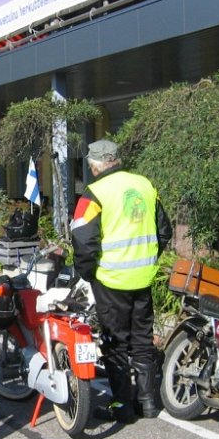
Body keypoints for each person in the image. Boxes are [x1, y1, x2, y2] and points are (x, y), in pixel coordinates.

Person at [71, 139, 172, 421]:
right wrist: (147, 259)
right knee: (142, 339)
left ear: (94, 166)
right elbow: (164, 231)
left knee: (115, 341)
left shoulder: (94, 193)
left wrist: (88, 273)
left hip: (110, 279)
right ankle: (147, 402)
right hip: (143, 276)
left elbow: (83, 240)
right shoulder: (145, 185)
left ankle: (122, 406)